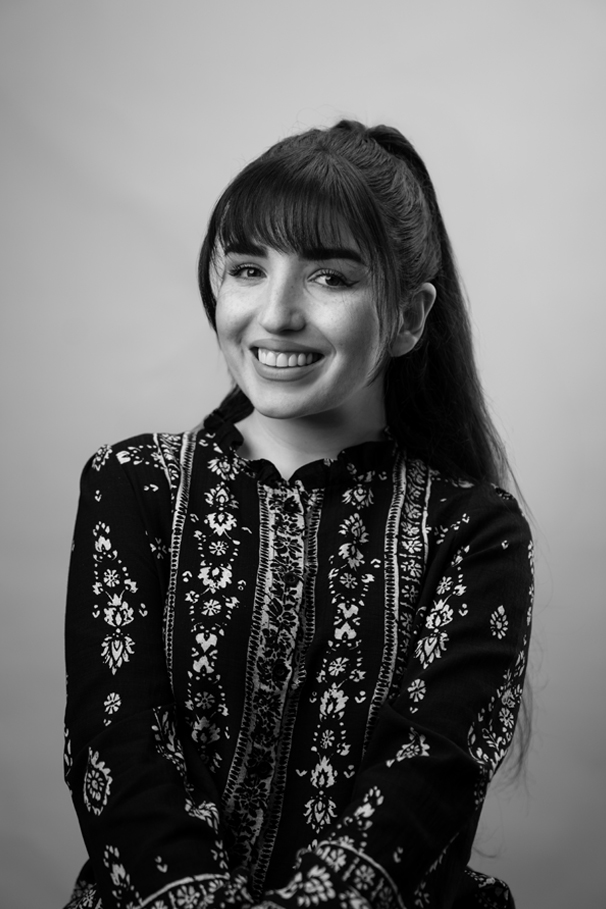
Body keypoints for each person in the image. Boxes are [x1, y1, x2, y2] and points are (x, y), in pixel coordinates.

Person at [63, 120, 533, 909]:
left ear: (409, 316)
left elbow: (430, 780)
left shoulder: (475, 531)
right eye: (248, 269)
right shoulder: (133, 487)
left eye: (330, 277)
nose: (277, 313)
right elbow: (118, 755)